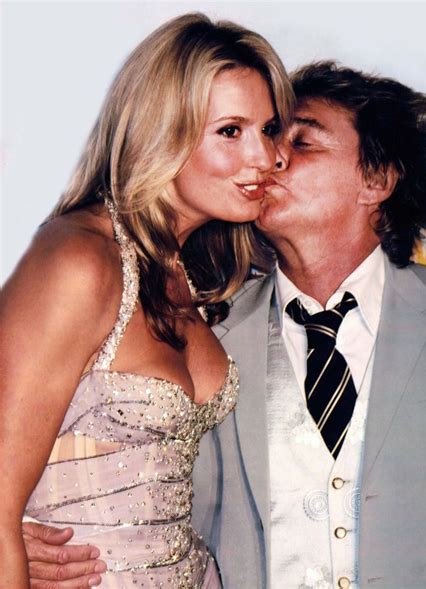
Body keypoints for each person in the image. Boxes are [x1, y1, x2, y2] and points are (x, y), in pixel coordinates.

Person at [23, 62, 426, 588]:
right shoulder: (199, 334)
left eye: (300, 142)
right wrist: (29, 536)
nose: (267, 158)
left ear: (376, 180)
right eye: (263, 135)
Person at [0, 13, 294, 588]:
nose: (265, 158)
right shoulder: (80, 261)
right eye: (230, 131)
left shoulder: (196, 274)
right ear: (162, 131)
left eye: (268, 129)